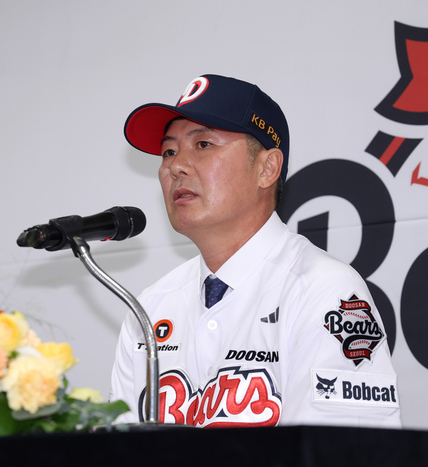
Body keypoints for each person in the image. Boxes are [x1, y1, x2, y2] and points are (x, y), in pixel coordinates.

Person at [109, 74, 401, 428]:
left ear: (267, 168)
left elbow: (336, 450)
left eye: (203, 144)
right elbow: (116, 449)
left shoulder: (325, 291)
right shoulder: (150, 307)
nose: (175, 166)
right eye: (169, 151)